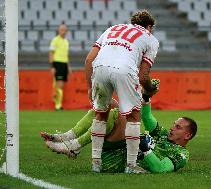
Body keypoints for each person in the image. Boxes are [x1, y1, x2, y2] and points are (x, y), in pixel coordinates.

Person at [40, 91, 198, 173]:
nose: (172, 127)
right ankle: (69, 137)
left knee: (120, 113)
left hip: (115, 162)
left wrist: (146, 150)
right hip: (118, 147)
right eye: (174, 124)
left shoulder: (181, 154)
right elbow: (147, 116)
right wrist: (147, 96)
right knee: (108, 103)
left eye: (178, 127)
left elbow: (161, 169)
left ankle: (75, 146)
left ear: (187, 135)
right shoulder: (163, 135)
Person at [84, 10, 159, 173]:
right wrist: (151, 88)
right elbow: (143, 75)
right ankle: (131, 165)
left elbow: (89, 59)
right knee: (134, 116)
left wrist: (89, 86)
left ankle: (96, 164)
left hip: (99, 67)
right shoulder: (150, 38)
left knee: (100, 114)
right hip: (125, 70)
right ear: (149, 26)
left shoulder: (112, 28)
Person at [49, 24, 71, 111]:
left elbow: (66, 55)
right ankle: (58, 105)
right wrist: (52, 66)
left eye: (65, 30)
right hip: (57, 63)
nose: (63, 31)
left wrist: (68, 67)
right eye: (62, 29)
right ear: (58, 30)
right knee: (59, 84)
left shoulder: (66, 42)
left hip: (64, 64)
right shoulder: (55, 40)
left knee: (61, 85)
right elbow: (51, 53)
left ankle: (58, 104)